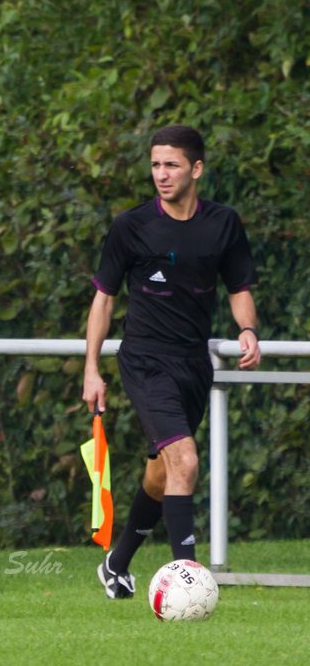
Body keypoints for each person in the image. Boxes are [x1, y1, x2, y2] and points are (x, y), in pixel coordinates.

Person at [83, 124, 260, 600]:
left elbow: (239, 287)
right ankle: (188, 578)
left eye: (172, 165)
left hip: (192, 365)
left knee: (162, 473)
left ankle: (116, 564)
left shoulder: (223, 224)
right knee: (185, 459)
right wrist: (91, 369)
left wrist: (248, 331)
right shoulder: (131, 226)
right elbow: (103, 300)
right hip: (144, 361)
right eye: (156, 165)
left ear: (196, 169)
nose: (161, 174)